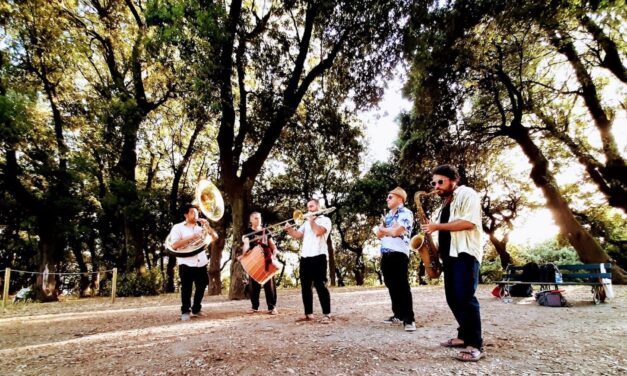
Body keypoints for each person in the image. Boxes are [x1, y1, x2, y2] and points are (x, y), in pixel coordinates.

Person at [421, 165, 485, 362]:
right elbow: (444, 232)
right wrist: (432, 250)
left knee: (465, 297)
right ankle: (463, 336)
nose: (436, 186)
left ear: (453, 180)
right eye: (434, 183)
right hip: (448, 256)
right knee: (453, 298)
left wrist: (436, 226)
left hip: (465, 254)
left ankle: (476, 345)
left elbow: (469, 222)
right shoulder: (444, 206)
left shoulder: (467, 193)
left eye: (441, 181)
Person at [167, 203, 218, 321]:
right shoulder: (177, 227)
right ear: (186, 215)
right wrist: (192, 237)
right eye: (192, 212)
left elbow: (215, 237)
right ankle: (185, 311)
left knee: (203, 284)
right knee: (186, 288)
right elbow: (174, 245)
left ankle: (196, 309)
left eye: (196, 213)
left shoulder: (201, 228)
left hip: (201, 261)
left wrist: (208, 227)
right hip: (186, 262)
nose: (195, 215)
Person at [284, 198, 332, 323]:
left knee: (320, 285)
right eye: (308, 207)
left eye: (311, 206)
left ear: (318, 207)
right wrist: (289, 230)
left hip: (319, 256)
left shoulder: (325, 220)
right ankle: (308, 314)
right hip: (305, 257)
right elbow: (297, 235)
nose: (309, 209)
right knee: (305, 286)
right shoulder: (305, 223)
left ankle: (327, 314)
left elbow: (318, 232)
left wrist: (311, 221)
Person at [376, 187, 416, 332]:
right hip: (385, 253)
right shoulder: (388, 216)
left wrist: (386, 230)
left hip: (399, 253)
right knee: (390, 284)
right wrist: (388, 231)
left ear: (400, 199)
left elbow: (397, 231)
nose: (387, 199)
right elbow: (378, 235)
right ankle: (398, 314)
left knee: (402, 285)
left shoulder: (405, 213)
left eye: (390, 197)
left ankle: (409, 319)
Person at [242, 212, 279, 315]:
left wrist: (275, 251)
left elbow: (272, 245)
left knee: (269, 284)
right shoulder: (247, 232)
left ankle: (272, 307)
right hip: (254, 260)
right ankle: (254, 307)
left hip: (267, 259)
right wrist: (245, 251)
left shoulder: (265, 231)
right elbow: (246, 244)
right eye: (255, 218)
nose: (258, 220)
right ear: (251, 220)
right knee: (253, 285)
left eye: (259, 218)